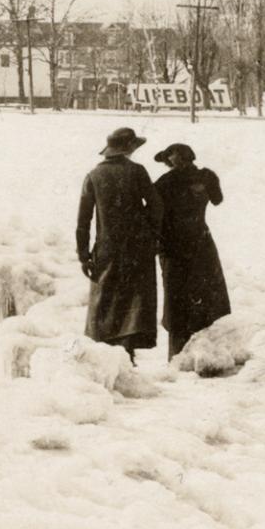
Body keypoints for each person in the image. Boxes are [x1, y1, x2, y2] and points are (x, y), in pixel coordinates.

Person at [76, 127, 164, 360]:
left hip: (106, 248)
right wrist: (149, 232)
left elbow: (83, 220)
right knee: (133, 299)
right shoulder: (137, 171)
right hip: (137, 246)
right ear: (128, 149)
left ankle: (105, 357)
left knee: (105, 300)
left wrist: (83, 255)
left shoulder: (93, 175)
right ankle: (127, 355)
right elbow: (156, 206)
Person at [152, 143, 231, 359]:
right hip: (200, 243)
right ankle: (201, 352)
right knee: (203, 295)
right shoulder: (206, 177)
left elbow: (150, 207)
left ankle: (177, 355)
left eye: (169, 160)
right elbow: (218, 199)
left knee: (176, 299)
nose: (170, 164)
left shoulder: (166, 182)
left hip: (173, 247)